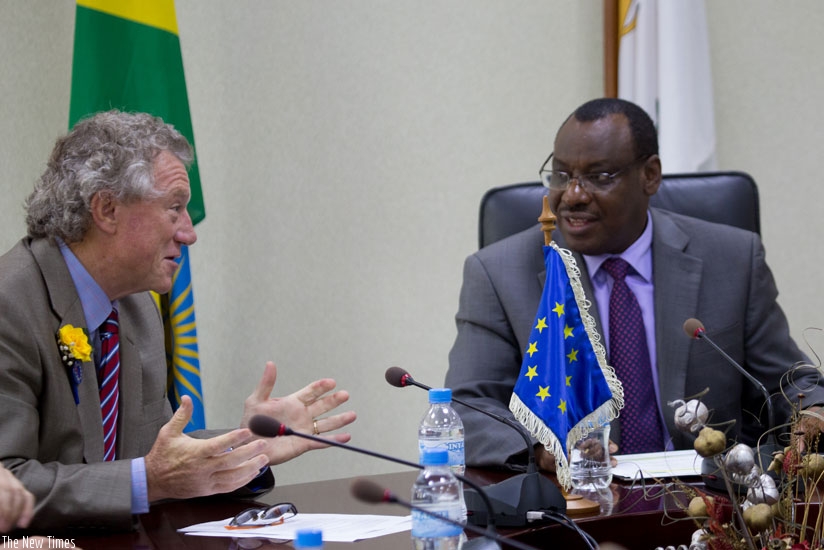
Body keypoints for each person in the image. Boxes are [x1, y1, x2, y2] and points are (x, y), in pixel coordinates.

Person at [0, 110, 356, 531]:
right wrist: (147, 481)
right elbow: (11, 481)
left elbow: (153, 458)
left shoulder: (137, 308)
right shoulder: (11, 304)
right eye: (175, 208)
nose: (189, 233)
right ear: (107, 209)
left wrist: (246, 446)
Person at [445, 97, 824, 472]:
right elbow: (467, 407)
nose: (573, 195)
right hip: (577, 503)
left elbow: (788, 383)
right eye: (561, 175)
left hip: (712, 502)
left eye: (599, 176)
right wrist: (541, 445)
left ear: (650, 175)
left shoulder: (733, 259)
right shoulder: (498, 272)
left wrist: (812, 412)